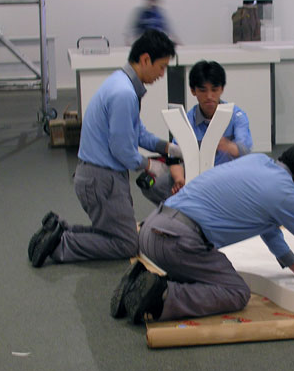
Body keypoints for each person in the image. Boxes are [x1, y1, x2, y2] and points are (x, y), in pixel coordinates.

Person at [111, 143, 294, 324]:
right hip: (177, 241)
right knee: (236, 292)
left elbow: (268, 226)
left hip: (151, 231)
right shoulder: (287, 194)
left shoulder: (259, 162)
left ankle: (141, 283)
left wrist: (293, 265)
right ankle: (162, 297)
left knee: (204, 276)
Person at [28, 29, 181, 266]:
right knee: (126, 244)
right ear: (145, 59)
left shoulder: (121, 83)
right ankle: (60, 246)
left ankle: (60, 231)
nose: (162, 74)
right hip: (102, 181)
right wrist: (150, 165)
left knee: (115, 233)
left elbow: (137, 132)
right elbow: (122, 149)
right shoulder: (124, 94)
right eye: (161, 67)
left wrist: (167, 147)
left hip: (96, 177)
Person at [139, 59, 254, 205]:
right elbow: (175, 157)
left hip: (229, 178)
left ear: (222, 89)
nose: (209, 96)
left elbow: (245, 150)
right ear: (193, 91)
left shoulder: (236, 116)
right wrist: (179, 180)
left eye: (214, 89)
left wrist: (227, 146)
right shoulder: (188, 120)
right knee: (155, 185)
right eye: (203, 90)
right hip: (197, 177)